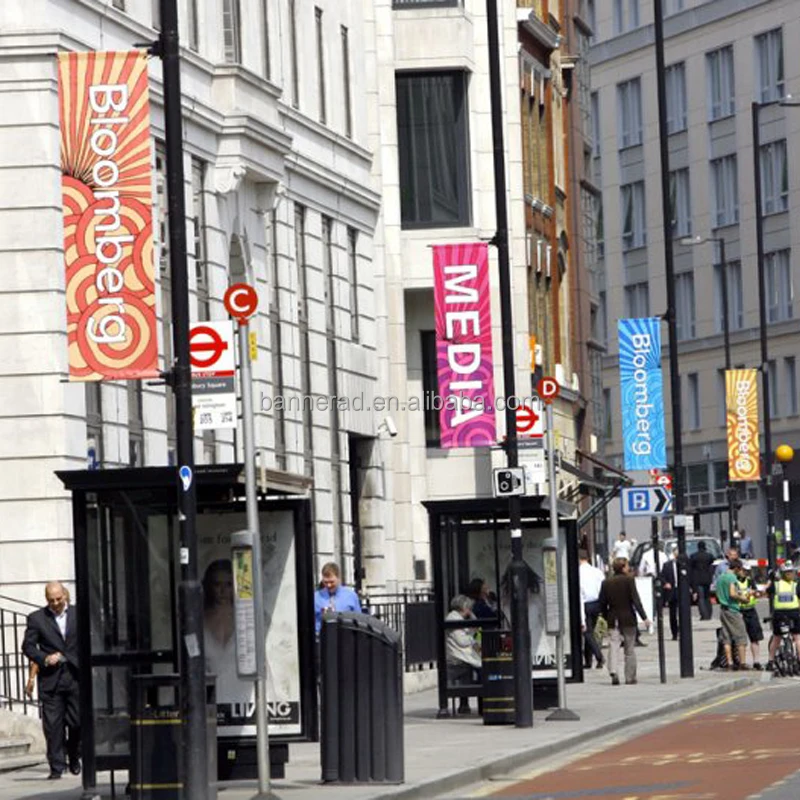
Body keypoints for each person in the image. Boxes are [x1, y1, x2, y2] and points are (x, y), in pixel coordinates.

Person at [21, 581, 80, 780]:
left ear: (65, 595)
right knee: (53, 726)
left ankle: (74, 753)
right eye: (51, 600)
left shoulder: (78, 614)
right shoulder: (37, 618)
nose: (55, 603)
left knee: (77, 722)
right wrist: (44, 658)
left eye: (58, 599)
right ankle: (56, 766)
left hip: (75, 676)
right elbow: (28, 647)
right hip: (51, 679)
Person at [599, 558, 650, 686]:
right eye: (627, 566)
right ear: (622, 568)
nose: (629, 568)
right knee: (629, 649)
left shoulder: (606, 582)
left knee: (613, 646)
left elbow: (602, 603)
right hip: (628, 618)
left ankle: (613, 670)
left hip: (613, 617)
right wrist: (644, 617)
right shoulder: (629, 580)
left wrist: (606, 616)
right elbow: (635, 600)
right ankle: (630, 677)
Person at [445, 594, 482, 713]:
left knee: (478, 668)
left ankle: (464, 705)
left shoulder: (456, 618)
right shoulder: (454, 619)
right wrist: (473, 634)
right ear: (464, 607)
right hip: (458, 658)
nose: (470, 610)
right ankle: (478, 705)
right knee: (481, 671)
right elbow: (462, 641)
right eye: (469, 608)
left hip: (460, 656)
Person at [715, 558, 749, 670]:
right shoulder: (732, 578)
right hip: (732, 610)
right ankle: (743, 663)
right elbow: (732, 593)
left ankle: (729, 662)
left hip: (723, 609)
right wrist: (743, 599)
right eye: (741, 569)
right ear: (737, 568)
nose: (741, 572)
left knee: (727, 637)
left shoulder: (721, 577)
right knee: (741, 636)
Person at [314, 561, 362, 634]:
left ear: (338, 578)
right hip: (322, 637)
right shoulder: (316, 597)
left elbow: (359, 620)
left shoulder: (351, 596)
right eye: (326, 582)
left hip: (346, 636)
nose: (329, 585)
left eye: (332, 582)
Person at [767, 562, 800, 668]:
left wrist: (771, 580)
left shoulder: (776, 584)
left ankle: (770, 661)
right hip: (794, 613)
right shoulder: (796, 585)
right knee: (797, 638)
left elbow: (767, 591)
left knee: (776, 638)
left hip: (779, 614)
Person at [579, 549, 605, 669]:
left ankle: (599, 656)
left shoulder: (578, 573)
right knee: (591, 632)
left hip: (585, 604)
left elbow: (579, 595)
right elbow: (603, 587)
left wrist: (582, 620)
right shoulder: (597, 571)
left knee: (587, 632)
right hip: (597, 603)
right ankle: (588, 661)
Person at [738, 566, 763, 669]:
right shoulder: (735, 582)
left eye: (747, 571)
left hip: (751, 610)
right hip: (739, 611)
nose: (745, 573)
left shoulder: (750, 581)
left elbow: (757, 593)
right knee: (740, 638)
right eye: (744, 570)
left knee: (755, 637)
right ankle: (741, 661)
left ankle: (756, 661)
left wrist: (756, 593)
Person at [690, 541, 715, 621]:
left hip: (698, 579)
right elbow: (712, 561)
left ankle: (704, 615)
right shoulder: (709, 556)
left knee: (701, 597)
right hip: (707, 578)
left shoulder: (694, 556)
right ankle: (709, 613)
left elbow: (691, 566)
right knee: (707, 597)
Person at [659, 546, 680, 640]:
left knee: (682, 613)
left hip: (681, 590)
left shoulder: (683, 564)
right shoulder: (667, 565)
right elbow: (662, 576)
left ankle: (682, 631)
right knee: (673, 614)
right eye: (676, 554)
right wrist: (666, 583)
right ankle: (674, 633)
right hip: (671, 591)